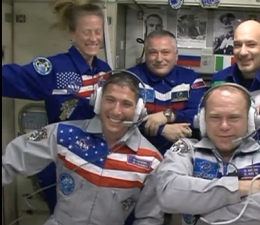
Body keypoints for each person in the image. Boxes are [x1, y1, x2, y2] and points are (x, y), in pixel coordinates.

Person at [2, 71, 164, 225]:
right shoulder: (65, 134)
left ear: (138, 111)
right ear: (98, 101)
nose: (116, 111)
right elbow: (11, 160)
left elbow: (149, 218)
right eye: (110, 100)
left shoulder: (151, 160)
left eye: (126, 104)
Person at [2, 0, 112, 214]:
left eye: (98, 32)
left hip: (95, 159)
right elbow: (12, 77)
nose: (94, 38)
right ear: (73, 33)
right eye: (87, 32)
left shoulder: (104, 70)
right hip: (61, 158)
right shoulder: (54, 68)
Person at [155, 83, 260, 225]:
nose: (224, 126)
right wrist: (240, 188)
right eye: (215, 117)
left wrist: (200, 211)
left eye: (234, 118)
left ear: (251, 120)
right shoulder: (186, 150)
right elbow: (168, 194)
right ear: (202, 121)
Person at [127, 30, 207, 155]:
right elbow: (121, 118)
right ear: (146, 55)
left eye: (165, 52)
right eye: (153, 52)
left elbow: (201, 114)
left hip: (183, 152)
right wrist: (162, 130)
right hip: (137, 151)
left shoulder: (191, 79)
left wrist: (169, 115)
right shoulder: (129, 79)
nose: (159, 59)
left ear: (176, 55)